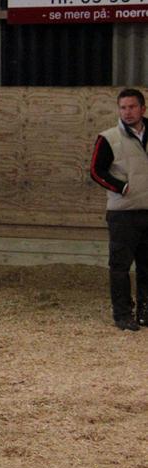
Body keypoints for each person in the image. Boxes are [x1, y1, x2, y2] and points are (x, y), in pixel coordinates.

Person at [90, 87, 148, 331]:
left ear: (143, 108)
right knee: (120, 266)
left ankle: (145, 311)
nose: (127, 112)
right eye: (123, 107)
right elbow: (96, 170)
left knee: (147, 265)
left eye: (132, 106)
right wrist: (121, 187)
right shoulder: (108, 138)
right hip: (123, 213)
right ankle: (123, 314)